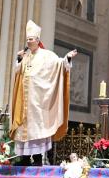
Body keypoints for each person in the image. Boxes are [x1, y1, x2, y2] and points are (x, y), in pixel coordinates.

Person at [10, 20, 77, 166]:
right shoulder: (25, 56)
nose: (28, 41)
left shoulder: (47, 55)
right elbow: (18, 72)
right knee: (23, 128)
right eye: (27, 39)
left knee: (37, 129)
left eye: (31, 39)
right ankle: (25, 158)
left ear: (38, 40)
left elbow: (60, 64)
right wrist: (18, 59)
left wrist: (68, 58)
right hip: (25, 100)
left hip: (38, 101)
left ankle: (37, 158)